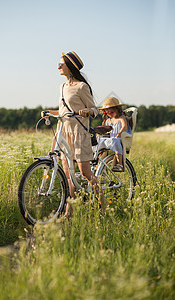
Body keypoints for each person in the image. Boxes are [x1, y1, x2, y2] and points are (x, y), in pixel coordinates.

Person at [41, 51, 106, 217]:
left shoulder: (82, 87)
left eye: (61, 64)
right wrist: (48, 112)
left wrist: (87, 111)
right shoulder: (62, 87)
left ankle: (103, 206)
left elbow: (95, 110)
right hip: (64, 132)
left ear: (70, 67)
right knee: (69, 176)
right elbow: (63, 111)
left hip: (79, 132)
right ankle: (69, 213)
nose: (58, 67)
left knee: (85, 173)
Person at [98, 97, 132, 172]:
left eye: (111, 112)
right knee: (99, 142)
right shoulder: (108, 121)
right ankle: (99, 161)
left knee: (115, 141)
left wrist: (119, 133)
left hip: (120, 138)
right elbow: (106, 131)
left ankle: (119, 164)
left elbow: (124, 127)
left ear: (118, 110)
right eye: (106, 113)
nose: (109, 115)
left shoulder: (121, 118)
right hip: (111, 139)